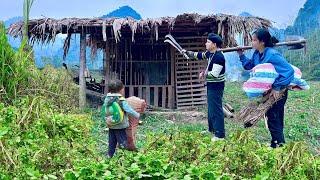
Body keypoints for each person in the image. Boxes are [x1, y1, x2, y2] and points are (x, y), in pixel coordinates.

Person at [237, 28, 294, 148]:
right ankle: (277, 142)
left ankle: (279, 145)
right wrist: (241, 55)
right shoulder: (257, 54)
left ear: (262, 42)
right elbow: (249, 66)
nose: (252, 43)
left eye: (254, 40)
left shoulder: (272, 54)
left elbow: (289, 71)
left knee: (274, 117)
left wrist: (277, 87)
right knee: (273, 117)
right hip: (267, 92)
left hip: (279, 92)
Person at [183, 33, 226, 141]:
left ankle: (220, 135)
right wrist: (187, 52)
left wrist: (203, 74)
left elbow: (214, 74)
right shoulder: (210, 53)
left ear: (214, 44)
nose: (205, 43)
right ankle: (211, 130)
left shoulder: (219, 57)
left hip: (216, 86)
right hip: (211, 85)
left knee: (216, 109)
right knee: (211, 108)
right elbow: (200, 55)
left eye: (208, 42)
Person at [104, 79, 140, 157]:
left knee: (112, 141)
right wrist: (137, 115)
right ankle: (124, 156)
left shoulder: (107, 98)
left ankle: (109, 155)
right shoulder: (121, 100)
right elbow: (128, 110)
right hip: (120, 125)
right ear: (121, 90)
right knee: (122, 141)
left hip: (110, 123)